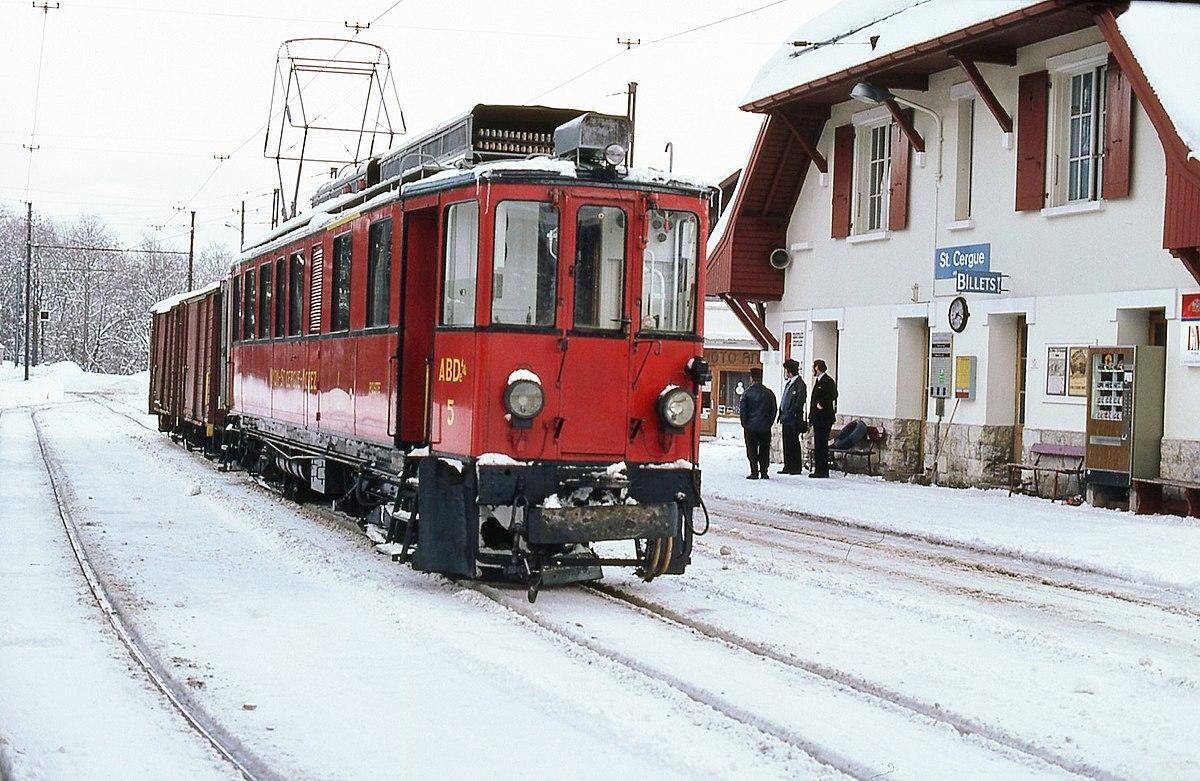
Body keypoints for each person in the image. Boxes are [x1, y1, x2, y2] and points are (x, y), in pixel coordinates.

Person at [739, 367, 777, 480]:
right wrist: (769, 423)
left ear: (751, 378)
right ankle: (764, 472)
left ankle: (754, 471)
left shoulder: (747, 393)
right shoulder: (769, 393)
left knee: (752, 449)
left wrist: (744, 423)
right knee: (765, 449)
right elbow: (773, 410)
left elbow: (743, 410)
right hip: (765, 427)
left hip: (750, 427)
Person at [777, 358, 808, 475]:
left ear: (789, 371)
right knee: (786, 442)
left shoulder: (800, 384)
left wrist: (790, 412)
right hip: (786, 418)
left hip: (794, 418)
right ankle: (787, 465)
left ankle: (795, 467)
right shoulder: (789, 384)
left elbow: (799, 402)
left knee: (793, 442)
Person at [808, 359, 838, 478]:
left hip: (824, 418)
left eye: (813, 367)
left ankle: (822, 470)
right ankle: (819, 469)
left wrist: (823, 404)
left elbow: (834, 394)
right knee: (818, 444)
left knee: (822, 444)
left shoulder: (828, 381)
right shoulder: (818, 381)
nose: (812, 370)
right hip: (817, 418)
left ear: (817, 368)